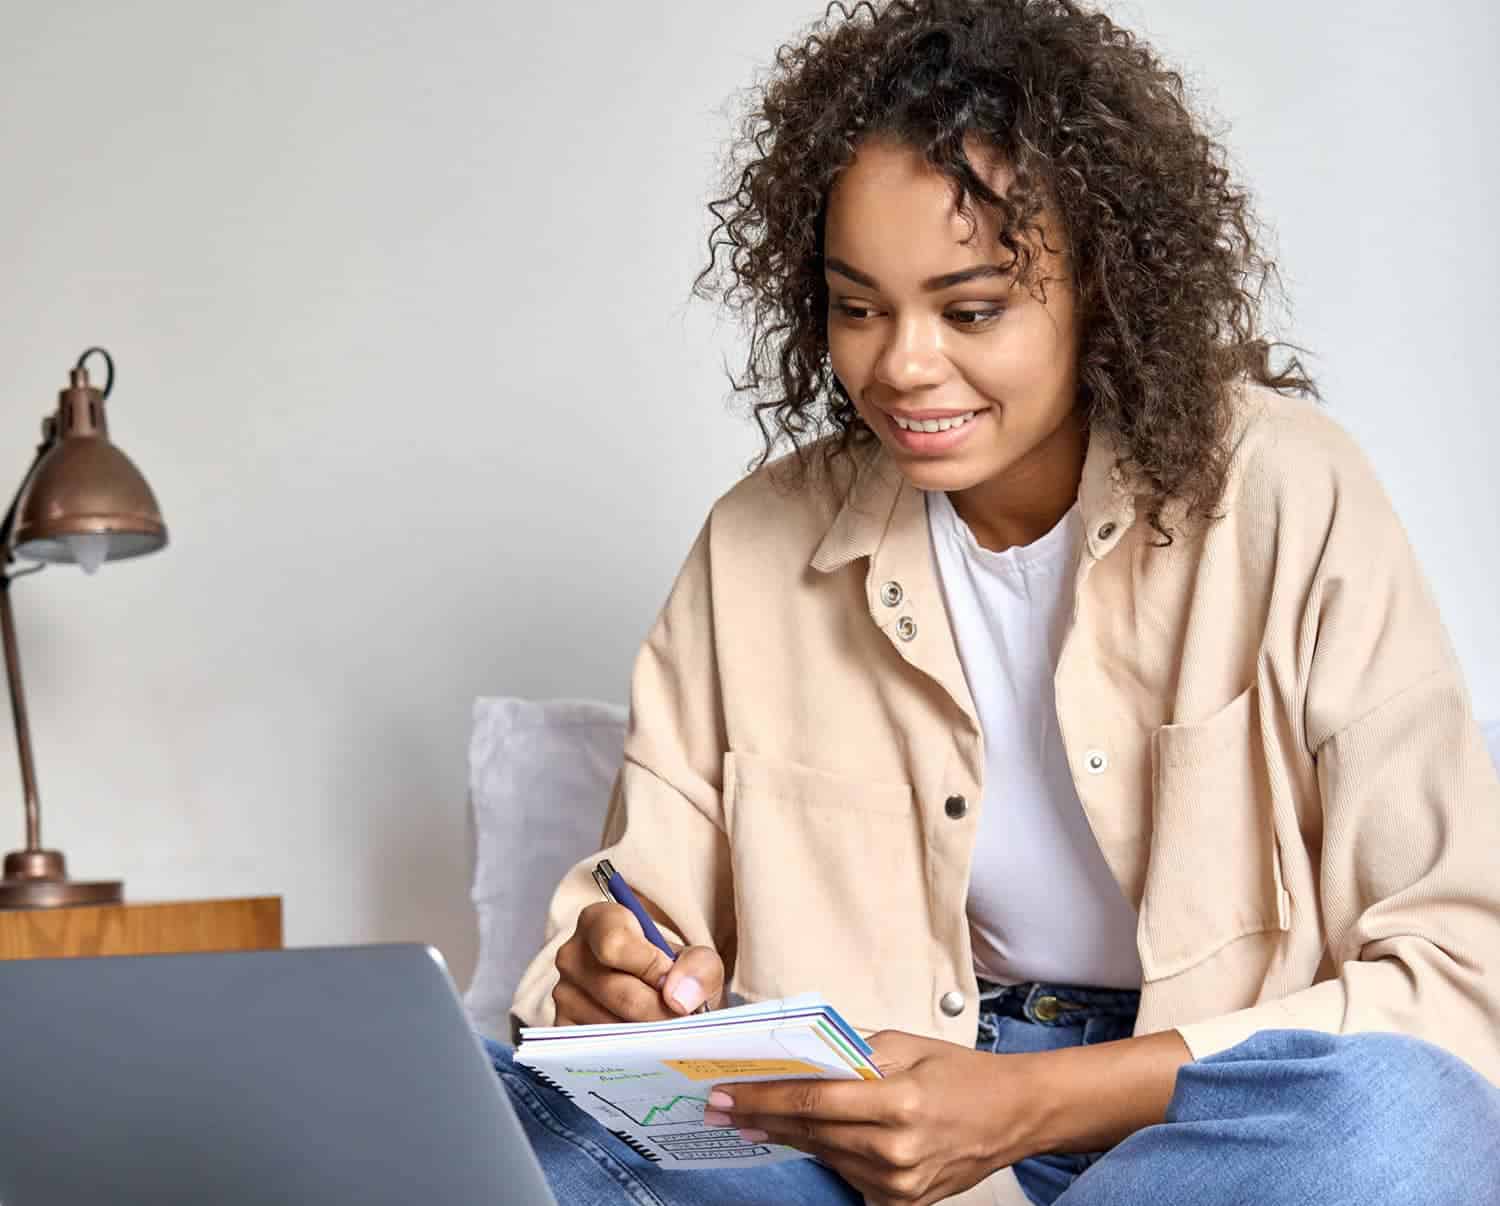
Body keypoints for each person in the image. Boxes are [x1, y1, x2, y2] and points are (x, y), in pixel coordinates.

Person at [488, 1, 1500, 1202]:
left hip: (1203, 1122)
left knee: (1404, 1119)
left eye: (971, 310)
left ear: (1104, 291)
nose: (901, 365)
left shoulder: (1285, 492)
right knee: (473, 1106)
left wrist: (1032, 1102)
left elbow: (1460, 978)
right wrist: (606, 979)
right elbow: (613, 936)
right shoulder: (755, 546)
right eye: (858, 307)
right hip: (861, 1154)